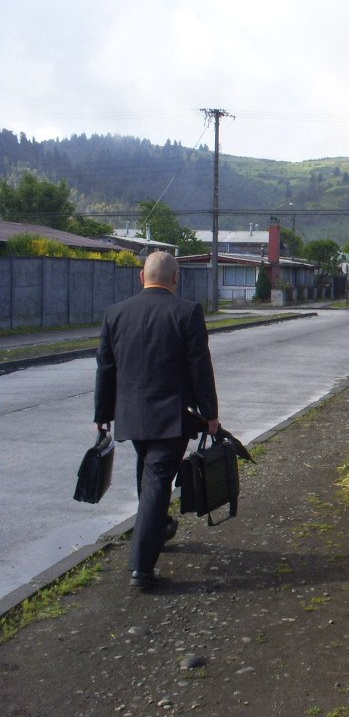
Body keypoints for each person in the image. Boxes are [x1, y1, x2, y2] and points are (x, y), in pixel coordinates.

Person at [94, 251, 220, 591]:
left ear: (141, 277)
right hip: (170, 417)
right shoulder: (186, 312)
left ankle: (159, 527)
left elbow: (106, 368)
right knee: (156, 481)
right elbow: (199, 367)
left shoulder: (115, 314)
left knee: (149, 471)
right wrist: (210, 413)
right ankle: (141, 567)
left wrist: (102, 415)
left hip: (131, 416)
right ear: (176, 278)